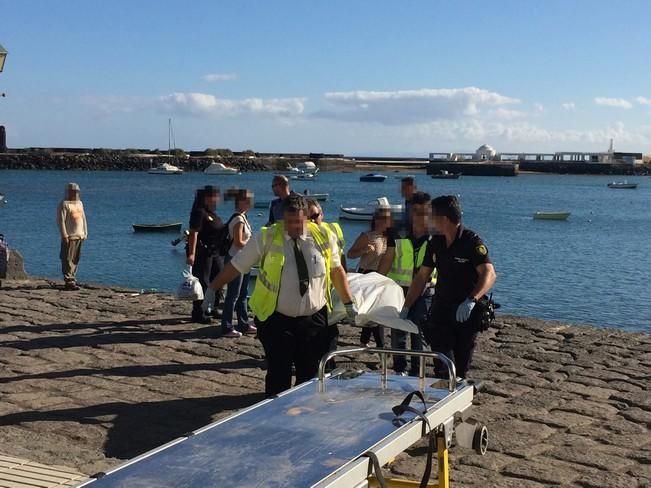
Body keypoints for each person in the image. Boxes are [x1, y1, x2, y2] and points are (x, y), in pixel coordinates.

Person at [204, 194, 357, 397]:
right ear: (283, 218)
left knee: (310, 376)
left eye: (299, 222)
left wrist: (348, 302)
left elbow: (336, 271)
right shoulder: (266, 237)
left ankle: (303, 415)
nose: (294, 226)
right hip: (276, 320)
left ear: (307, 218)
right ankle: (275, 419)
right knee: (278, 375)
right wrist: (213, 288)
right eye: (290, 222)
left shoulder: (324, 236)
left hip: (314, 320)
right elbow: (236, 266)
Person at [402, 195, 496, 378]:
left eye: (432, 216)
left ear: (444, 219)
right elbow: (422, 276)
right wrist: (407, 306)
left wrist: (472, 300)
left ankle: (458, 388)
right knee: (442, 359)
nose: (429, 221)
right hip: (441, 309)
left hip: (465, 312)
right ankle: (443, 386)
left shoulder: (471, 241)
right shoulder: (435, 243)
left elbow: (489, 274)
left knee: (461, 364)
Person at [379, 191, 433, 376]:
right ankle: (400, 368)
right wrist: (377, 281)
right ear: (409, 211)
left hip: (425, 292)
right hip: (399, 290)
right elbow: (388, 259)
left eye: (424, 212)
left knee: (420, 334)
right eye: (416, 211)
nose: (420, 216)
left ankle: (417, 371)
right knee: (397, 333)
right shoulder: (398, 232)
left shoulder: (436, 236)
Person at [347, 206, 393, 348]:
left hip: (382, 278)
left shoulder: (391, 239)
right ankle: (381, 347)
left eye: (385, 219)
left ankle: (364, 341)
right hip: (367, 276)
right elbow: (350, 254)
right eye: (379, 218)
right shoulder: (367, 236)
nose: (381, 222)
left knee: (373, 313)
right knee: (375, 314)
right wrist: (364, 250)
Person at [186, 186, 224, 324]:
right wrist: (192, 253)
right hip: (204, 253)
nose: (217, 200)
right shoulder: (199, 212)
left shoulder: (211, 213)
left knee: (219, 278)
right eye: (215, 196)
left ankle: (214, 307)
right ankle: (198, 312)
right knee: (203, 282)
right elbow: (193, 233)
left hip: (216, 252)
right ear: (207, 197)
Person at [221, 189, 256, 338]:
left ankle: (243, 323)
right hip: (236, 260)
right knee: (233, 294)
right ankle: (227, 326)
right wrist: (254, 244)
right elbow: (238, 241)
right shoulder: (238, 220)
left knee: (243, 294)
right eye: (247, 200)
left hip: (244, 259)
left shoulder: (244, 217)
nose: (249, 203)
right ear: (240, 202)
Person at [56, 182, 88, 291]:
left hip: (79, 236)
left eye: (77, 191)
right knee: (67, 258)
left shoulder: (79, 203)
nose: (75, 193)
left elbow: (83, 219)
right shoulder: (64, 204)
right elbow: (61, 221)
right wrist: (64, 235)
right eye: (73, 192)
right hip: (69, 236)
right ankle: (68, 280)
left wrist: (85, 232)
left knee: (76, 258)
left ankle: (73, 277)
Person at [306, 199, 347, 271]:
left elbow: (341, 255)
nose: (312, 221)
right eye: (308, 218)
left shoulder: (334, 229)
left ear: (322, 214)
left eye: (315, 216)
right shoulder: (301, 237)